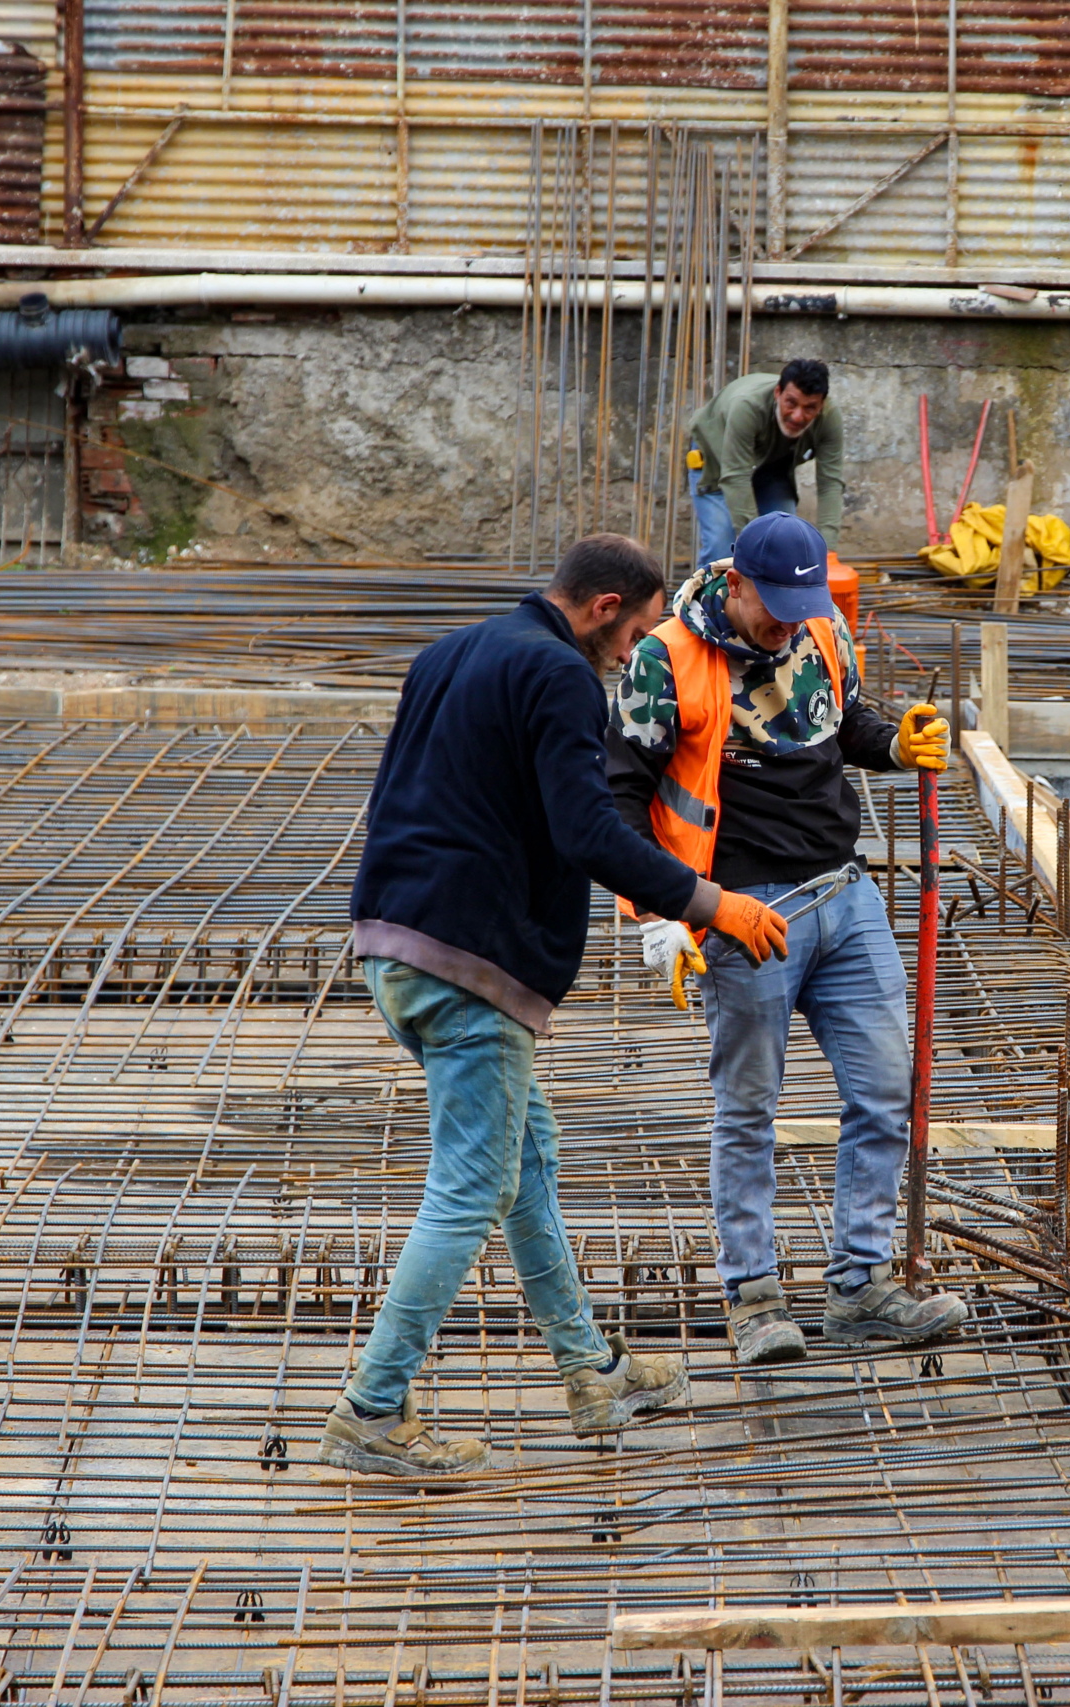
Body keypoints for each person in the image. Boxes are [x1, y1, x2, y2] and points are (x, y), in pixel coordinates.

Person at [321, 534, 794, 1478]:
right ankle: (372, 1407)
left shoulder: (450, 653)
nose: (635, 655)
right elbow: (588, 831)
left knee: (526, 1160)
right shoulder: (561, 675)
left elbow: (398, 795)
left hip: (395, 943)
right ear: (605, 605)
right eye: (639, 632)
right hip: (470, 967)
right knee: (470, 1187)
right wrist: (711, 903)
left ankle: (591, 1368)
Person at [609, 511, 963, 1363]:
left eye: (798, 605)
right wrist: (667, 914)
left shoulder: (820, 626)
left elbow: (841, 724)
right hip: (741, 911)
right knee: (749, 1111)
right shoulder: (666, 659)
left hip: (842, 894)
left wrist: (894, 744)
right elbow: (618, 798)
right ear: (732, 585)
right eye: (770, 605)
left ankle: (860, 1283)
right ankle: (754, 1298)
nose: (785, 620)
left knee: (885, 1089)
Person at [688, 358, 844, 573]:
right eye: (791, 403)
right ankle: (706, 604)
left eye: (810, 408)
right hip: (717, 460)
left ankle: (773, 604)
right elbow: (736, 476)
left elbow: (831, 485)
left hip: (772, 467)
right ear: (777, 392)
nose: (798, 416)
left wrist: (828, 554)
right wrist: (753, 544)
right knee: (723, 546)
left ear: (821, 405)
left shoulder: (829, 418)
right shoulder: (747, 407)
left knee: (784, 542)